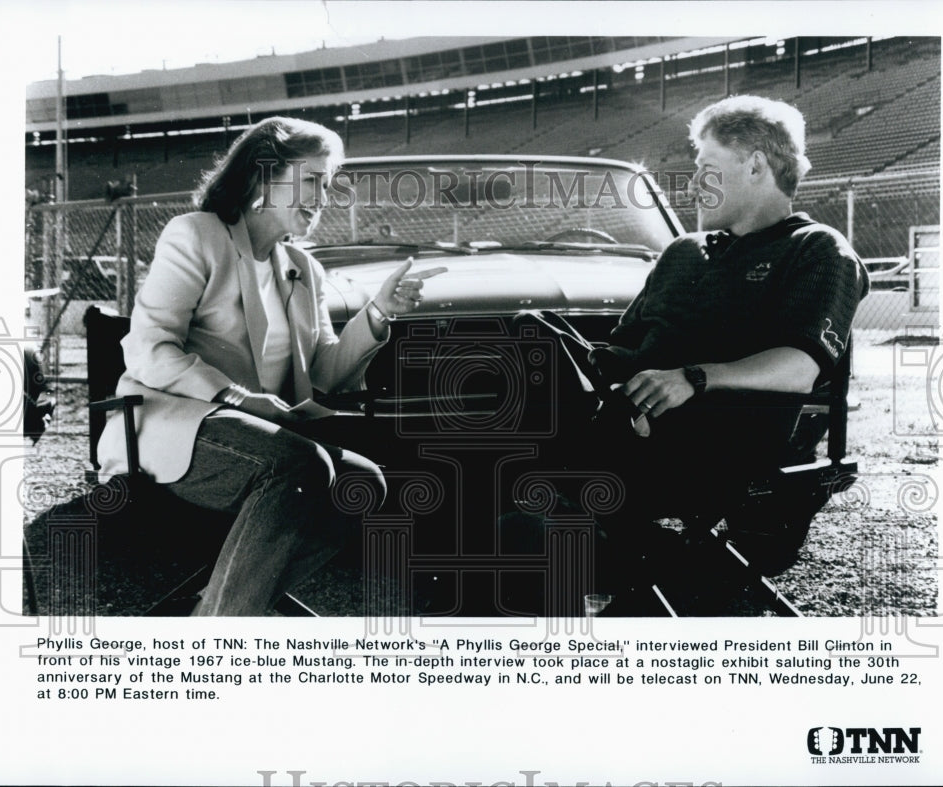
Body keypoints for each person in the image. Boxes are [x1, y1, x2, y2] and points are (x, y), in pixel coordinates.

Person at [97, 117, 444, 615]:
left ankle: (217, 613)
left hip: (259, 439)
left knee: (362, 483)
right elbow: (148, 347)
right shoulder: (197, 236)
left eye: (329, 184)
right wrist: (236, 398)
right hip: (165, 425)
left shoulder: (305, 269)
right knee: (300, 464)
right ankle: (221, 635)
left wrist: (378, 313)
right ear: (263, 176)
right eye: (313, 180)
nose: (324, 196)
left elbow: (325, 372)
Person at [526, 95, 870, 594]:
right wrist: (576, 356)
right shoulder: (682, 253)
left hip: (719, 443)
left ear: (755, 166)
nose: (692, 184)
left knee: (515, 485)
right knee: (526, 333)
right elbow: (624, 349)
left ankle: (639, 560)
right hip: (631, 423)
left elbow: (799, 367)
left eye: (706, 167)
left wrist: (695, 376)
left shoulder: (815, 249)